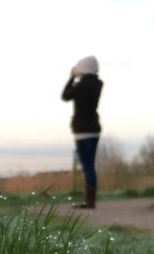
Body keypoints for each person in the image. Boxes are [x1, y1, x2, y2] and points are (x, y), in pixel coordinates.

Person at [62, 55, 103, 208]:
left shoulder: (82, 85)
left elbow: (65, 95)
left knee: (87, 166)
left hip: (82, 130)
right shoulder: (97, 84)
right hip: (94, 128)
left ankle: (89, 202)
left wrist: (71, 78)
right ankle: (90, 200)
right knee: (90, 164)